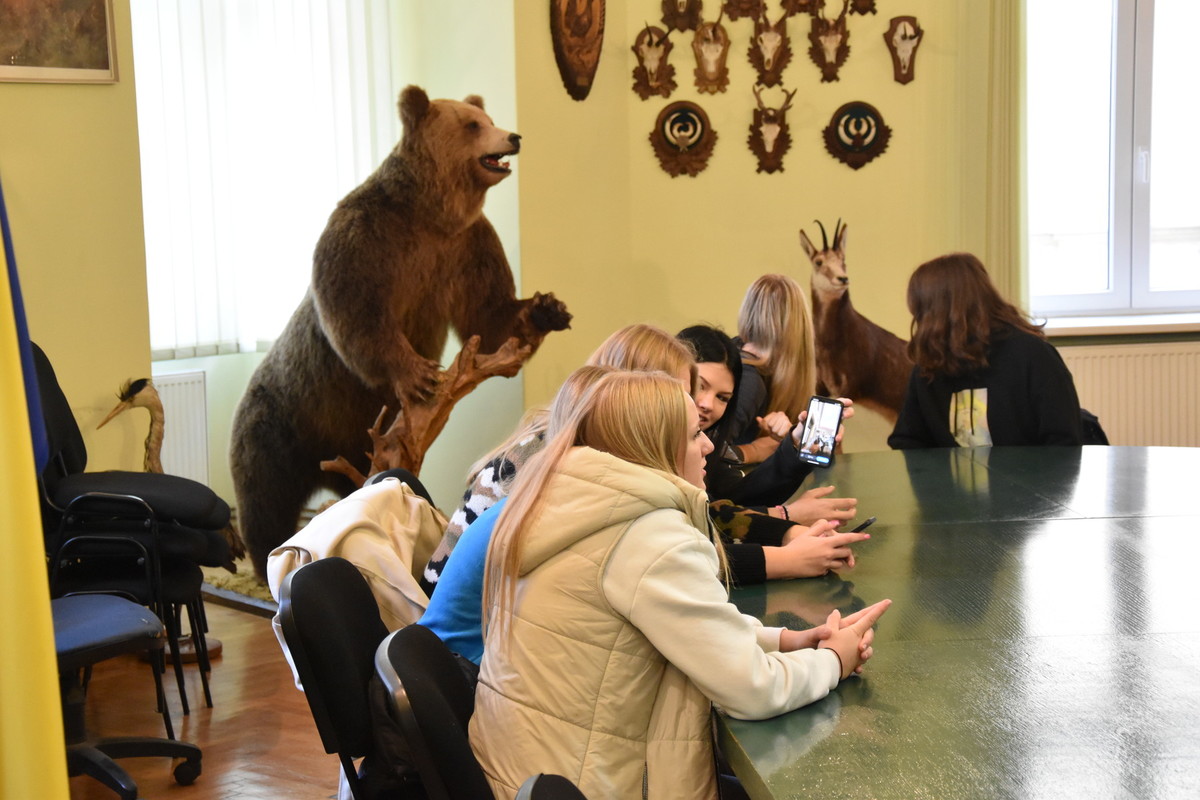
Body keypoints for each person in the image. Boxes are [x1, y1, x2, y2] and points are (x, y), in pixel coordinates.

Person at [470, 370, 891, 800]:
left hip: (523, 770)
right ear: (655, 446)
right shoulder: (649, 537)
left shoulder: (565, 499)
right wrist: (832, 662)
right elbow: (752, 689)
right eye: (695, 436)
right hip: (594, 781)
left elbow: (692, 628)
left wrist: (785, 640)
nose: (709, 446)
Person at [888, 253, 1083, 448]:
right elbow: (907, 440)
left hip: (1030, 478)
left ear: (935, 313)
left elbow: (1063, 442)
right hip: (951, 479)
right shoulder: (930, 363)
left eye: (920, 312)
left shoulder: (1032, 355)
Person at [678, 324, 857, 523]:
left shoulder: (712, 443)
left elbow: (739, 499)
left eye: (722, 397)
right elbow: (706, 522)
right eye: (700, 387)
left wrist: (797, 442)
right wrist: (786, 516)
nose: (707, 404)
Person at [728, 273, 819, 465]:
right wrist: (757, 450)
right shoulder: (749, 381)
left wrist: (806, 440)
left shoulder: (733, 353)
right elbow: (706, 453)